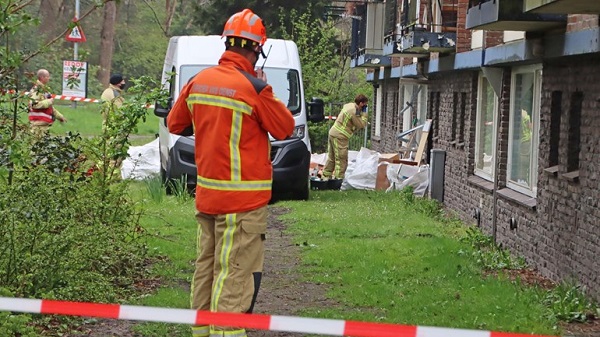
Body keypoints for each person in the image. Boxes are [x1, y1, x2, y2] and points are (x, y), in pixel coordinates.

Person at [166, 9, 294, 337]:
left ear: (227, 45)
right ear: (256, 50)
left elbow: (175, 123)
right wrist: (266, 89)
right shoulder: (254, 88)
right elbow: (284, 128)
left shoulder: (199, 81)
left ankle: (202, 332)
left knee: (207, 269)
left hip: (207, 196)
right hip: (243, 201)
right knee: (235, 273)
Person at [321, 94, 369, 180]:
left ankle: (325, 177)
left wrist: (359, 112)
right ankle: (339, 180)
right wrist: (364, 114)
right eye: (365, 104)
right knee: (341, 158)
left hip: (333, 133)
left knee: (332, 158)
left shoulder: (349, 106)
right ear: (361, 103)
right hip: (340, 136)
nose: (365, 106)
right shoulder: (353, 111)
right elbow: (361, 125)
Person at [28, 69, 67, 137]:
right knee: (36, 145)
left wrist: (60, 117)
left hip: (44, 125)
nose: (49, 78)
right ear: (42, 77)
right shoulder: (37, 90)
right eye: (47, 76)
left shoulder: (44, 90)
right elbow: (34, 104)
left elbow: (50, 108)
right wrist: (49, 101)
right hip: (38, 126)